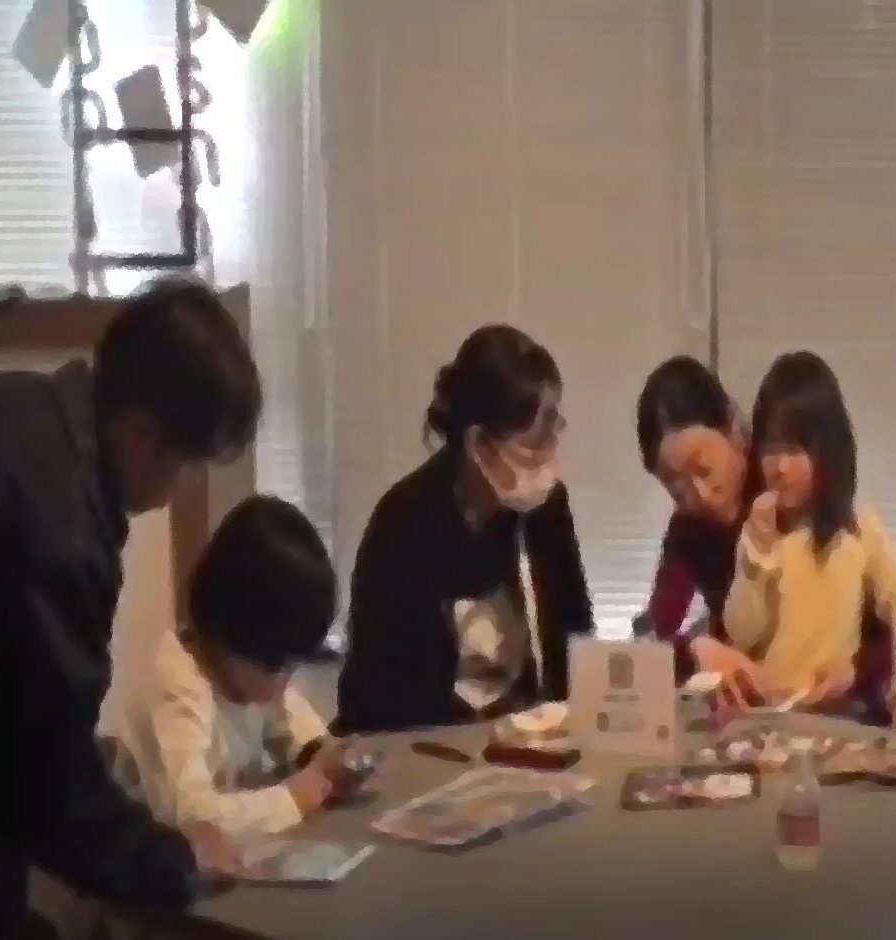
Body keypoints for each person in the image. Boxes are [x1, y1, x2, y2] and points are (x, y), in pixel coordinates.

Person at [0, 278, 262, 937]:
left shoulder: (24, 410)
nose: (188, 485)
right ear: (142, 435)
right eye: (192, 463)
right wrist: (174, 860)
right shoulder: (58, 530)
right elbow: (51, 782)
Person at [335, 324, 592, 734]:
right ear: (480, 444)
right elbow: (378, 694)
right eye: (537, 439)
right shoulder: (403, 524)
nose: (550, 453)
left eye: (554, 428)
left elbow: (574, 638)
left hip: (525, 740)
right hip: (423, 745)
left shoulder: (546, 510)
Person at [116, 496, 360, 841]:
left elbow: (289, 722)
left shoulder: (243, 675)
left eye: (292, 665)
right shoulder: (177, 693)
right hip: (155, 860)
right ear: (224, 630)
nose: (283, 684)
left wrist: (320, 758)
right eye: (276, 665)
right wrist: (292, 798)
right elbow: (192, 819)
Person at [722, 350, 896, 736]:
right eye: (771, 447)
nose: (780, 467)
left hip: (838, 721)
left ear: (828, 450)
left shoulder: (857, 528)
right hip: (767, 723)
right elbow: (742, 632)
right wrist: (756, 558)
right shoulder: (757, 532)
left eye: (796, 449)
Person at [634, 356, 758, 696]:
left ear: (734, 431)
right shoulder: (689, 530)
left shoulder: (784, 494)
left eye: (704, 469)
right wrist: (692, 649)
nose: (700, 495)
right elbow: (658, 633)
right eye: (676, 487)